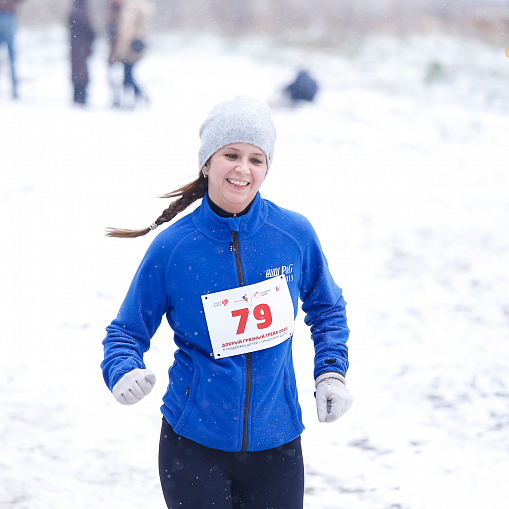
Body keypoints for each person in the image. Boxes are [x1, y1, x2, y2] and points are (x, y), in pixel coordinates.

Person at [101, 95, 353, 509]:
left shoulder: (292, 235)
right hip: (193, 443)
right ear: (206, 163)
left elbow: (327, 309)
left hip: (278, 443)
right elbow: (126, 331)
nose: (243, 169)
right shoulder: (174, 248)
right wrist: (122, 370)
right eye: (231, 154)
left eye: (257, 159)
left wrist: (332, 373)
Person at [109, 0, 154, 108]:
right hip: (127, 46)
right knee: (127, 74)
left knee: (128, 75)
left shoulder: (135, 7)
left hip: (132, 47)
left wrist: (135, 41)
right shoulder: (131, 7)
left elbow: (133, 29)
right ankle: (133, 99)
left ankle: (138, 98)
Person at [68, 0, 94, 105]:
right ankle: (80, 97)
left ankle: (78, 97)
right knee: (81, 73)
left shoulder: (74, 12)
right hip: (81, 48)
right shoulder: (81, 13)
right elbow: (89, 31)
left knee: (78, 73)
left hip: (77, 48)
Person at [0, 0, 23, 99]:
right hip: (9, 16)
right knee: (12, 56)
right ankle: (14, 91)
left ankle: (14, 91)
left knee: (11, 56)